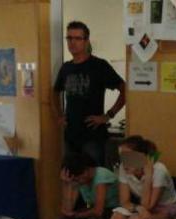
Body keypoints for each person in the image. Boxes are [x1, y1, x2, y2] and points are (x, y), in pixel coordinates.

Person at [54, 21, 126, 165]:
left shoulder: (99, 66)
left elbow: (124, 89)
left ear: (86, 41)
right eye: (69, 38)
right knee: (71, 177)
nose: (72, 42)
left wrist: (108, 115)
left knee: (94, 179)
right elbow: (55, 92)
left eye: (77, 38)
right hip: (71, 135)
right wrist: (59, 115)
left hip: (93, 136)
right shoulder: (66, 68)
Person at [53, 152, 119, 219]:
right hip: (92, 209)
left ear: (86, 171)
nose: (77, 182)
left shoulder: (101, 175)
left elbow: (98, 211)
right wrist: (67, 184)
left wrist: (76, 215)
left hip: (113, 210)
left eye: (77, 179)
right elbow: (68, 208)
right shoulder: (80, 180)